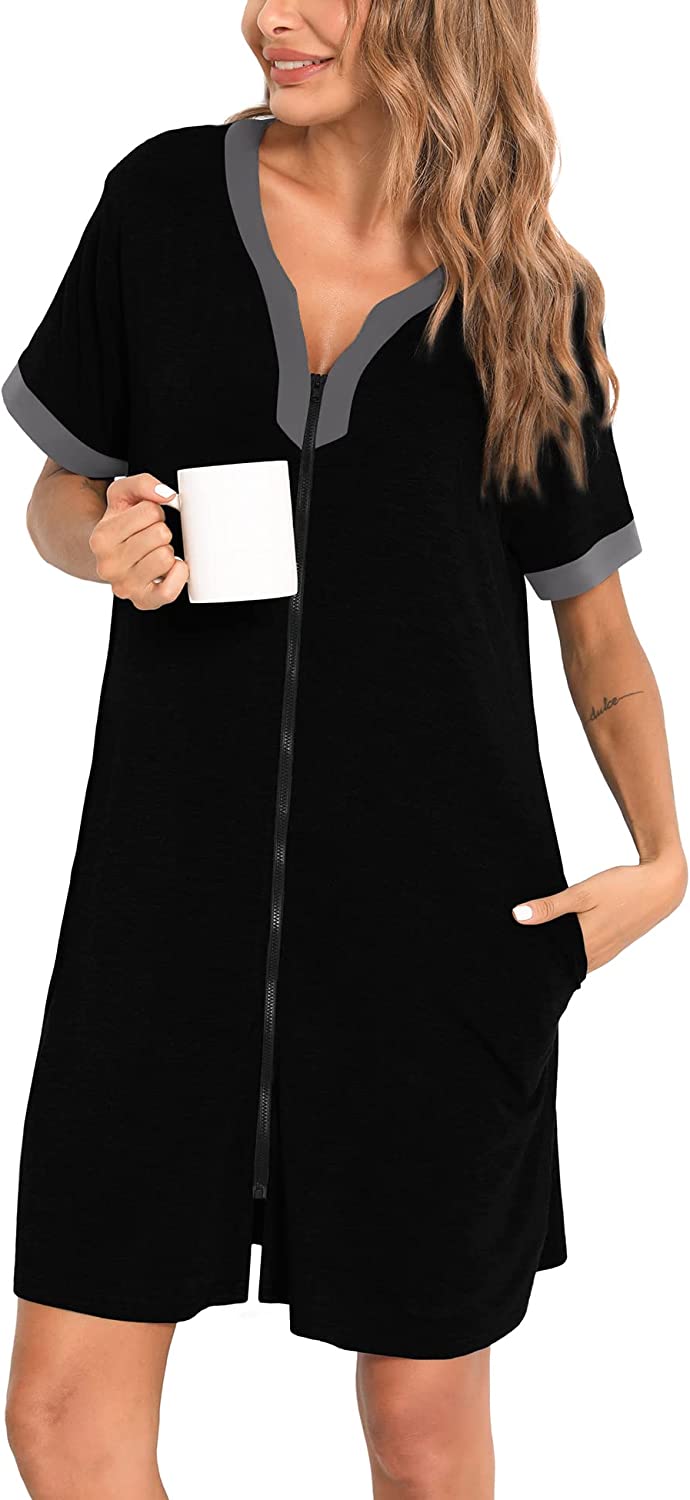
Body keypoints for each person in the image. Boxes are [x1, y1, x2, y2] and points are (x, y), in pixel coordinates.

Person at [2, 2, 686, 1497]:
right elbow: (61, 493)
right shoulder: (163, 204)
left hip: (434, 938)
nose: (271, 16)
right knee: (59, 1414)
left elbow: (596, 633)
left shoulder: (526, 295)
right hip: (159, 911)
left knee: (423, 1438)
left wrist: (663, 862)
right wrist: (101, 539)